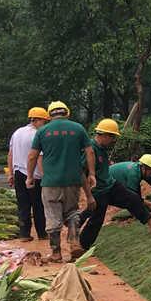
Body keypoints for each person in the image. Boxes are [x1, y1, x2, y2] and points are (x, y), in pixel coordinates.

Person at [26, 101, 96, 263]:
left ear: (49, 115)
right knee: (72, 212)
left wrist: (30, 176)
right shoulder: (78, 128)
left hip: (50, 182)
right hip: (73, 180)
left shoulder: (43, 131)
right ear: (67, 113)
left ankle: (56, 252)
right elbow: (90, 151)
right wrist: (91, 173)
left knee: (52, 216)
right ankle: (74, 243)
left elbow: (32, 156)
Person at [79, 152, 151, 249]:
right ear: (145, 167)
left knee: (100, 209)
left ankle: (78, 226)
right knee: (97, 215)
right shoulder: (133, 173)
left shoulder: (138, 168)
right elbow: (135, 193)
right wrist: (148, 203)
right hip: (102, 186)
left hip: (110, 185)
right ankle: (81, 238)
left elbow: (149, 181)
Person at [8, 107, 48, 241]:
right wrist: (45, 177)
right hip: (34, 175)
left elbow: (10, 154)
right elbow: (39, 158)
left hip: (18, 173)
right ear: (38, 120)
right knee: (38, 206)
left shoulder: (17, 132)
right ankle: (42, 234)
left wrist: (10, 174)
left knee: (23, 205)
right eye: (45, 121)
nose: (45, 124)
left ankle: (24, 234)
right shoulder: (37, 134)